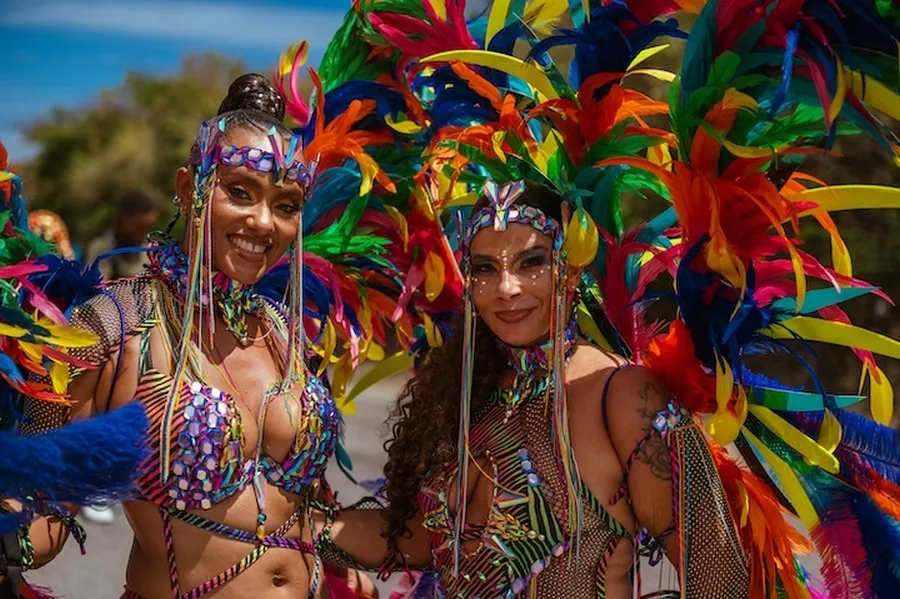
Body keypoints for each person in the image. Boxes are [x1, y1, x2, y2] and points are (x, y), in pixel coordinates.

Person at [307, 0, 900, 597]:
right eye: (485, 269)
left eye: (531, 262)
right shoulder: (461, 392)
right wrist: (287, 518)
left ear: (568, 264)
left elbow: (716, 574)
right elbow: (419, 541)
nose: (507, 288)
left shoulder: (621, 397)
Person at [15, 72, 397, 599]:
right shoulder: (117, 323)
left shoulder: (285, 330)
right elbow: (44, 499)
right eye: (240, 192)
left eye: (285, 205)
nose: (263, 222)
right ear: (188, 189)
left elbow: (302, 508)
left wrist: (344, 560)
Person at [84, 188, 160, 280]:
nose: (144, 232)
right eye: (140, 226)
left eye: (149, 227)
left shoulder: (149, 250)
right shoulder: (103, 248)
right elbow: (98, 287)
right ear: (125, 218)